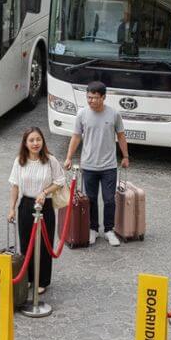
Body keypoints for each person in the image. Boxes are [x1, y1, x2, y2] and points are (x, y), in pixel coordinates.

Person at [63, 81, 129, 247]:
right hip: (88, 165)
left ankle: (109, 230)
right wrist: (69, 157)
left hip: (109, 166)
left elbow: (121, 136)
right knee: (90, 199)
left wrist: (125, 156)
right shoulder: (82, 114)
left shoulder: (114, 114)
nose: (90, 100)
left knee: (109, 200)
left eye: (94, 97)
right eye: (88, 97)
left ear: (103, 97)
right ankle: (93, 229)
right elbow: (76, 136)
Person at [8, 127, 65, 295]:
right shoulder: (20, 161)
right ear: (25, 143)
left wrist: (45, 192)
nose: (35, 143)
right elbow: (14, 186)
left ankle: (43, 280)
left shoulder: (50, 160)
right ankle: (28, 277)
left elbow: (60, 181)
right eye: (31, 140)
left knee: (44, 245)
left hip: (45, 205)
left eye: (38, 139)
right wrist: (11, 208)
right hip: (26, 204)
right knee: (26, 243)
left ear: (43, 141)